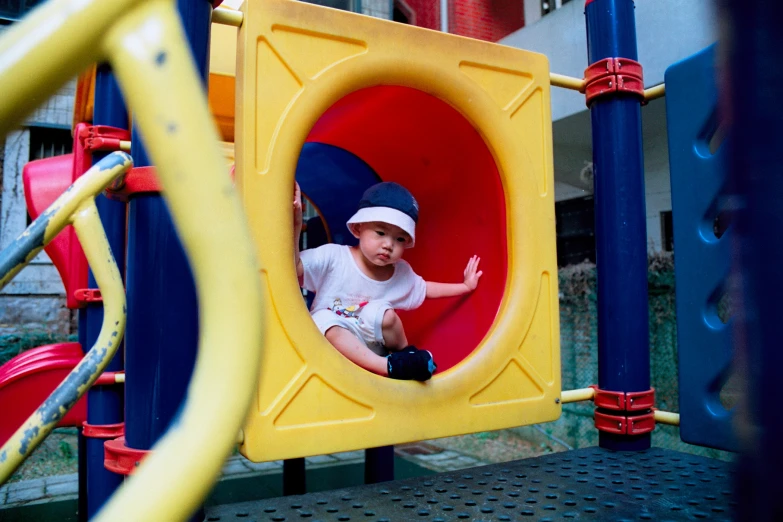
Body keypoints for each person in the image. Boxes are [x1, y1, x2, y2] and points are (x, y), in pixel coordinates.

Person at [293, 181, 482, 381]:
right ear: (358, 228)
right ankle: (387, 367)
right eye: (381, 233)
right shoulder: (334, 257)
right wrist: (295, 227)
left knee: (384, 313)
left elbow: (425, 289)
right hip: (332, 346)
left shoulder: (400, 273)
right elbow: (295, 268)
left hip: (376, 347)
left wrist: (465, 286)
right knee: (321, 318)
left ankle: (405, 356)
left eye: (400, 239)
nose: (388, 245)